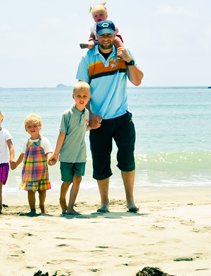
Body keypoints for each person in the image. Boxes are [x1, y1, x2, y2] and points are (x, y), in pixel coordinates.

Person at [76, 19, 144, 213]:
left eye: (109, 35)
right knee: (100, 163)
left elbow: (137, 81)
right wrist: (89, 115)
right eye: (102, 35)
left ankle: (130, 200)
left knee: (127, 160)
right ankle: (104, 203)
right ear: (96, 37)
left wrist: (129, 59)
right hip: (98, 121)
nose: (106, 39)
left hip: (122, 118)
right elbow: (82, 90)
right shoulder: (87, 58)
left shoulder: (123, 52)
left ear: (115, 35)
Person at [48, 81, 100, 215]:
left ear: (89, 98)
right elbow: (62, 134)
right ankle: (62, 198)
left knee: (77, 179)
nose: (81, 99)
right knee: (67, 180)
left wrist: (92, 126)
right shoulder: (67, 114)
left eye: (84, 96)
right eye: (79, 96)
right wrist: (56, 154)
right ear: (73, 97)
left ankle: (70, 207)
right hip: (66, 154)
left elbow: (83, 128)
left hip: (80, 154)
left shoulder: (87, 113)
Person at [11, 114, 53, 216]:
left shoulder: (44, 140)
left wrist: (49, 159)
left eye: (34, 126)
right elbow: (22, 154)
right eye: (29, 127)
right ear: (26, 129)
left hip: (41, 171)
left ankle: (42, 206)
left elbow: (49, 152)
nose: (32, 128)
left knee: (42, 190)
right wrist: (16, 163)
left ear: (40, 126)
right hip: (29, 172)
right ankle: (32, 209)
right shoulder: (27, 142)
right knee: (30, 191)